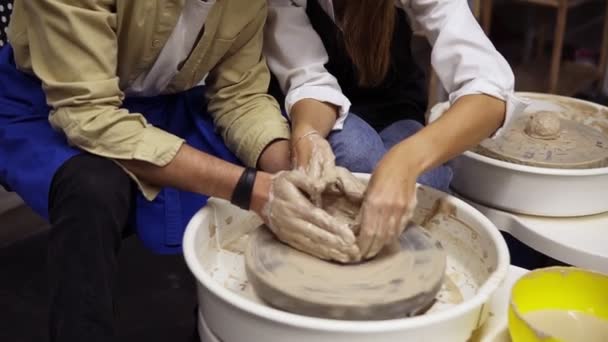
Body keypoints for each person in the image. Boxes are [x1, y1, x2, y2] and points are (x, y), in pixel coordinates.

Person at [0, 1, 359, 340]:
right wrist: (255, 190)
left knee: (252, 168)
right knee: (93, 187)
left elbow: (239, 96)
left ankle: (212, 328)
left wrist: (294, 176)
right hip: (48, 98)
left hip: (159, 102)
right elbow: (88, 116)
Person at [264, 0, 528, 259]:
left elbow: (490, 89)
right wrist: (307, 133)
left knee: (427, 183)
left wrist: (405, 161)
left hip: (393, 102)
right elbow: (306, 77)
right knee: (357, 155)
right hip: (320, 108)